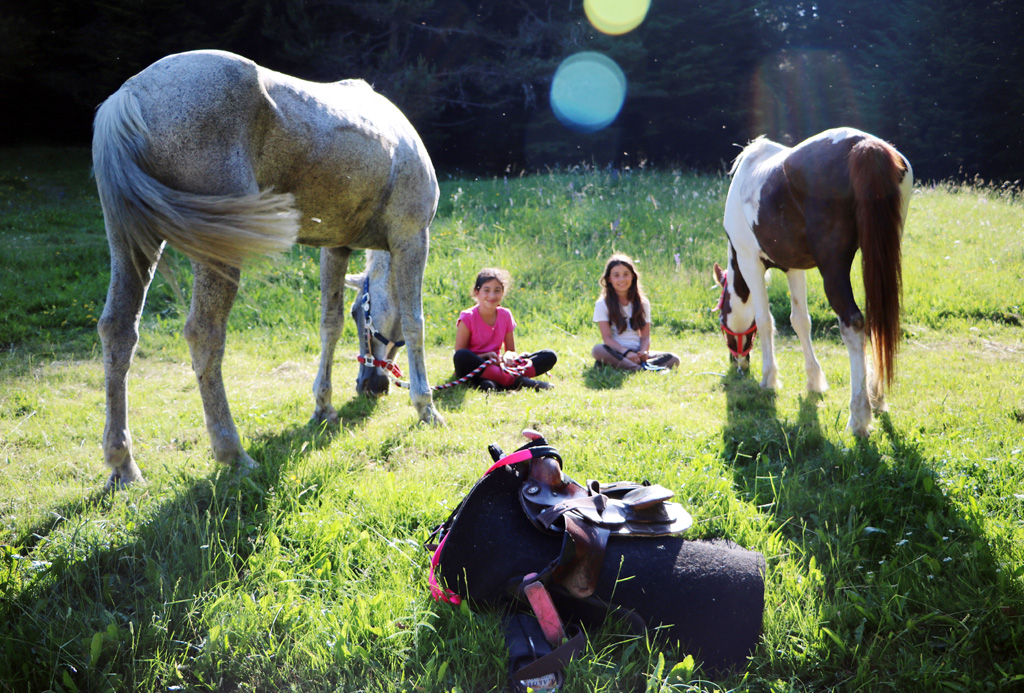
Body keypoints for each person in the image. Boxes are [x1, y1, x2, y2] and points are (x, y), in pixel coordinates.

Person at [453, 268, 557, 390]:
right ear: (477, 292)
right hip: (476, 367)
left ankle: (496, 383)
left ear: (503, 293)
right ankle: (518, 381)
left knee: (549, 355)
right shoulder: (468, 317)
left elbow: (511, 350)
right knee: (461, 356)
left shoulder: (505, 315)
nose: (492, 295)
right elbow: (459, 352)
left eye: (497, 291)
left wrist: (508, 356)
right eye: (486, 290)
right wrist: (486, 356)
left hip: (500, 367)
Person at [592, 253, 680, 371]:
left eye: (626, 274)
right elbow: (607, 339)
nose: (622, 279)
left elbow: (645, 337)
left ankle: (627, 366)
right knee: (598, 350)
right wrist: (627, 353)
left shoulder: (643, 303)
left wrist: (644, 351)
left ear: (633, 276)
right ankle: (638, 369)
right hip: (617, 352)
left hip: (637, 353)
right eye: (616, 275)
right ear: (609, 279)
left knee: (673, 358)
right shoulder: (602, 303)